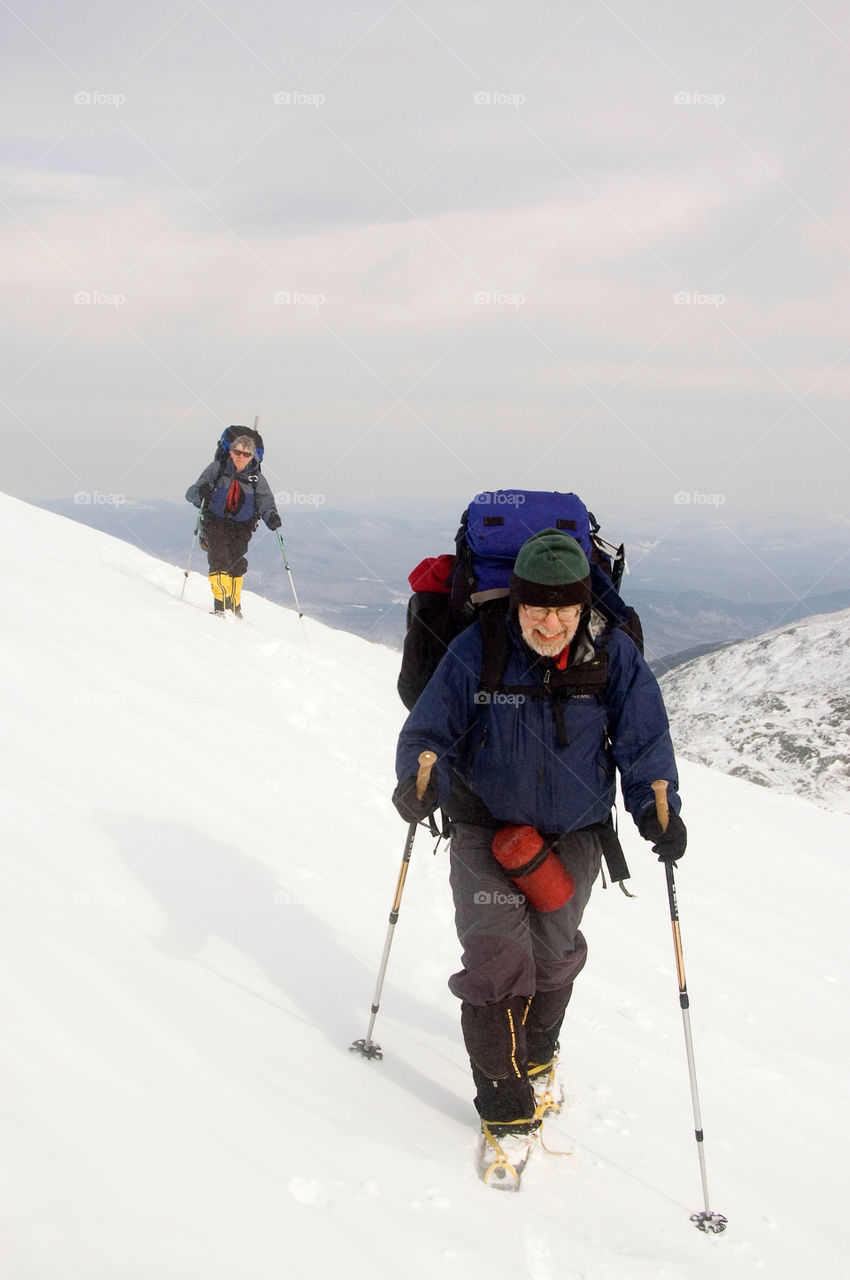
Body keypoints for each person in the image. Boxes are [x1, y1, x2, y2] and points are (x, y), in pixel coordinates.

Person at [393, 528, 686, 1166]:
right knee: (498, 960)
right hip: (483, 827)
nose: (550, 622)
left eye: (565, 609)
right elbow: (430, 729)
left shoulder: (612, 656)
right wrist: (421, 781)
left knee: (555, 957)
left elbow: (644, 742)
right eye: (536, 607)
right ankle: (504, 1104)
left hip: (574, 833)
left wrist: (657, 811)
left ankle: (539, 1054)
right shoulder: (480, 647)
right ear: (517, 603)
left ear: (583, 606)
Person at [185, 432, 281, 617]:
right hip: (215, 521)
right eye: (237, 452)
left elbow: (265, 501)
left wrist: (272, 518)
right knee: (219, 558)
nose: (241, 457)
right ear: (230, 452)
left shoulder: (256, 478)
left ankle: (234, 607)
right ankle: (221, 607)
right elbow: (191, 494)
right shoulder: (217, 469)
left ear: (252, 456)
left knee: (236, 563)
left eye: (246, 454)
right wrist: (201, 492)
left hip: (242, 526)